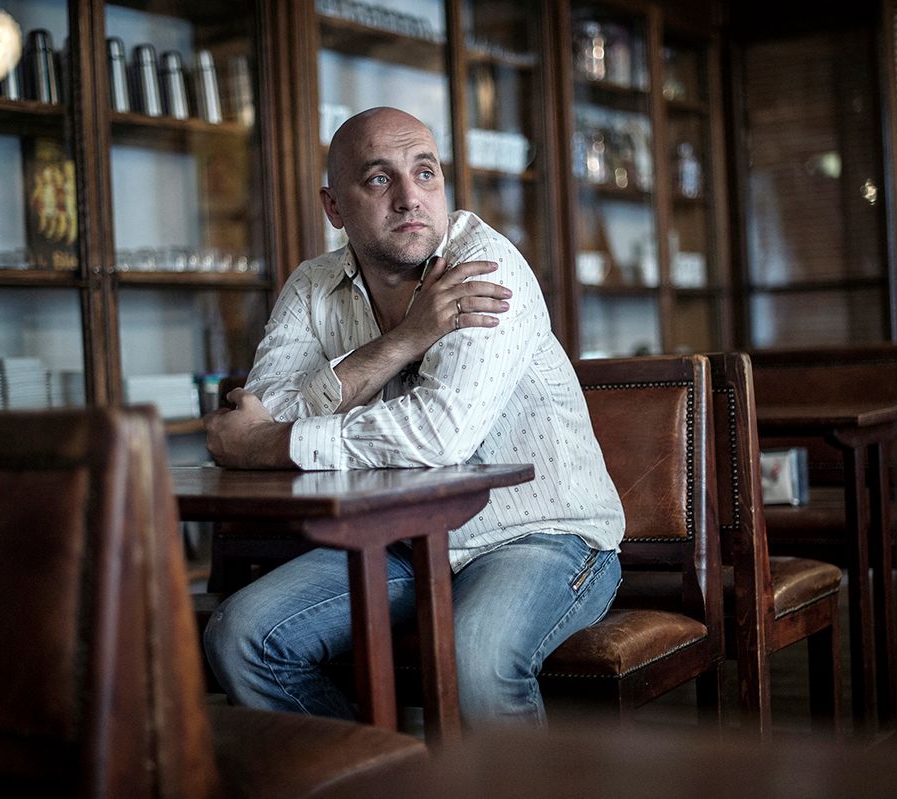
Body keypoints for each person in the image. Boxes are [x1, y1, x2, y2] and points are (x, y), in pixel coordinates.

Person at [202, 107, 624, 727]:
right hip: (397, 538)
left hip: (539, 536)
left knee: (475, 660)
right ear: (333, 207)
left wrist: (268, 444)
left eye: (425, 173)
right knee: (241, 637)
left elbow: (437, 434)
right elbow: (267, 407)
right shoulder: (311, 287)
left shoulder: (484, 266)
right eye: (378, 179)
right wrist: (401, 343)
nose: (409, 198)